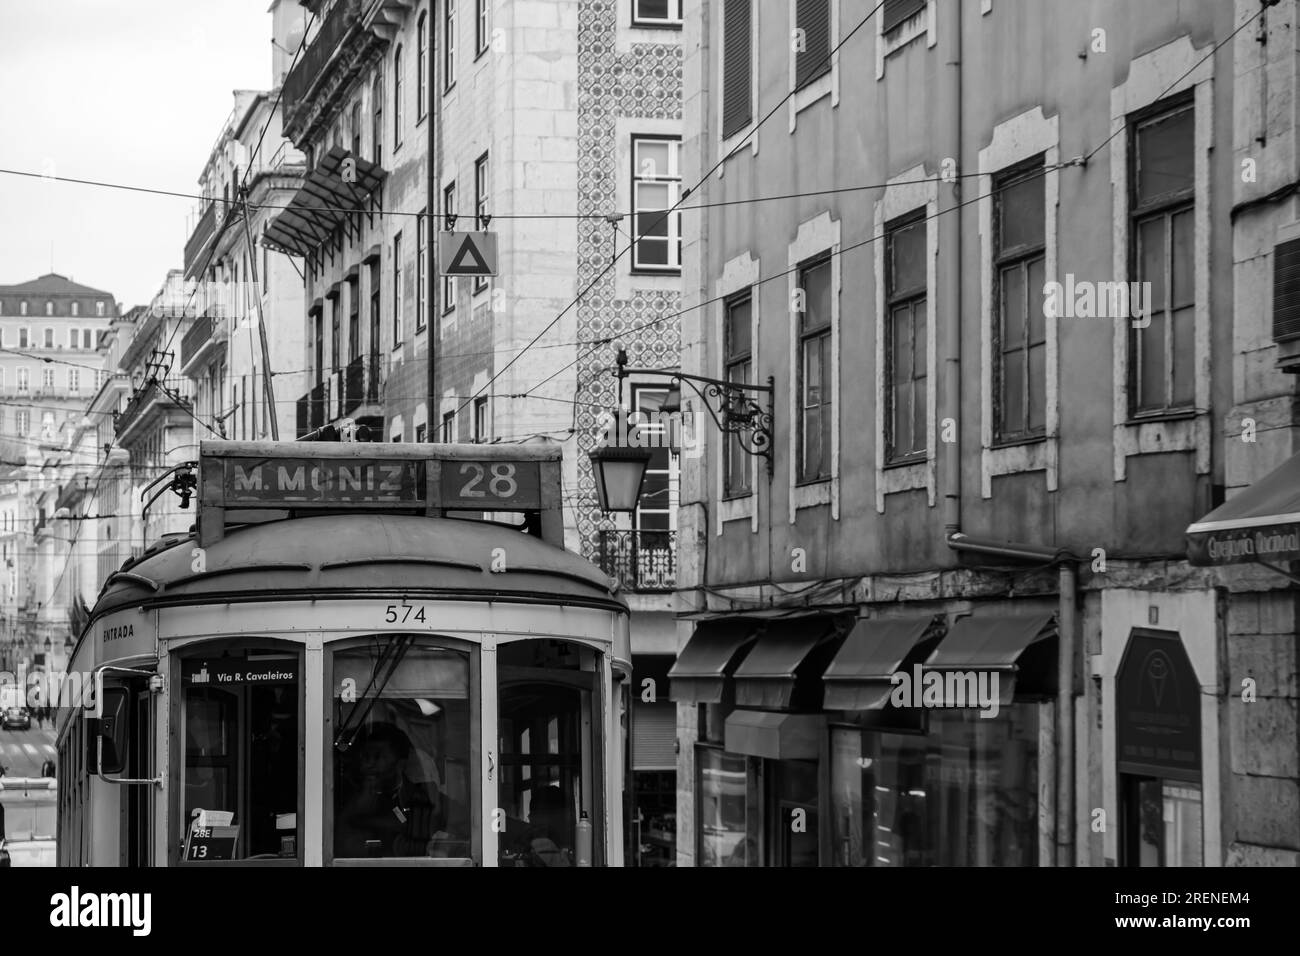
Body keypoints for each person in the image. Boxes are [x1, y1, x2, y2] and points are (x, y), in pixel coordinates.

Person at [335, 722, 442, 858]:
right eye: (365, 757)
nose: (368, 765)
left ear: (400, 764)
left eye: (377, 757)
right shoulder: (344, 794)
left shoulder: (420, 798)